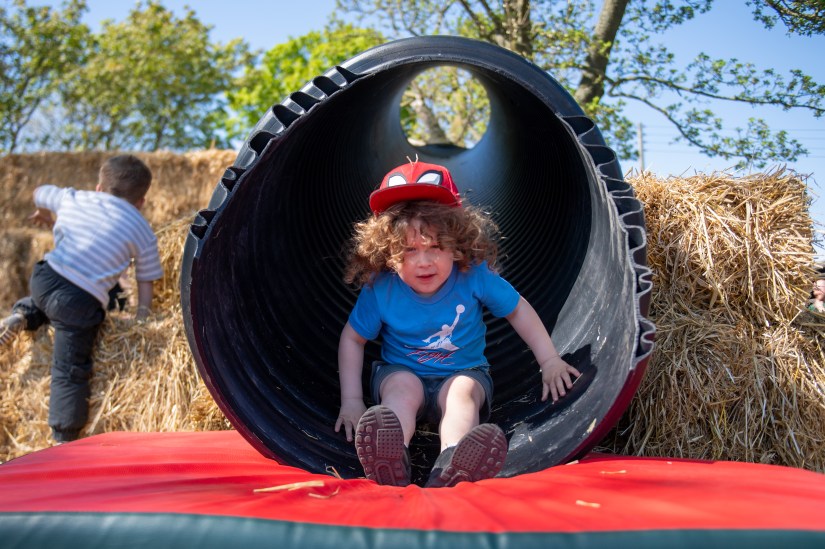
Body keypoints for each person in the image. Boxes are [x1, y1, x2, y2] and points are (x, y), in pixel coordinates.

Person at [334, 159, 580, 488]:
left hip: (463, 372)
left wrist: (549, 360)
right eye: (408, 249)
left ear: (457, 243)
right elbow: (353, 339)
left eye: (436, 246)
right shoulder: (382, 289)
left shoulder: (473, 274)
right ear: (387, 253)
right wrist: (351, 400)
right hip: (403, 371)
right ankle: (391, 457)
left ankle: (451, 464)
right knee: (400, 393)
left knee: (462, 395)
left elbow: (518, 310)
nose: (424, 261)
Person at [0, 154, 163, 443]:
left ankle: (22, 315)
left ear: (99, 187)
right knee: (70, 369)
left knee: (48, 301)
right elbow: (145, 279)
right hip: (80, 300)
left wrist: (43, 214)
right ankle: (64, 436)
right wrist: (143, 317)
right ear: (141, 203)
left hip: (45, 276)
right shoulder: (142, 230)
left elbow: (39, 191)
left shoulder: (75, 197)